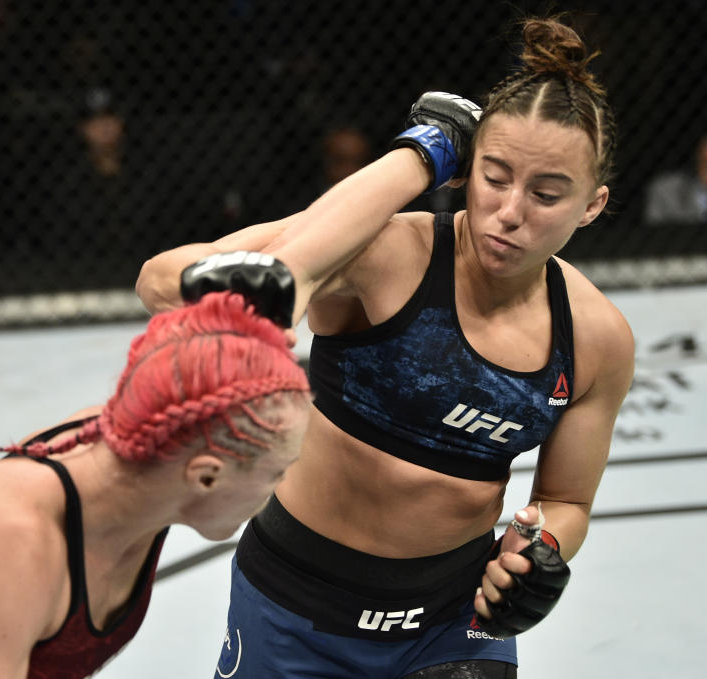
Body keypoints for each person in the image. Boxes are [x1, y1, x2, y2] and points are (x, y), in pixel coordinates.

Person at [136, 16, 634, 678]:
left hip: (454, 624)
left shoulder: (595, 338)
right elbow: (160, 280)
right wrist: (413, 161)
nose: (511, 210)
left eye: (546, 194)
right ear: (467, 168)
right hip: (296, 609)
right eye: (494, 176)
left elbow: (566, 500)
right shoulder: (385, 251)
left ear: (592, 205)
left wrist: (539, 553)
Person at [0, 291, 312, 678]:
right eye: (275, 474)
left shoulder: (157, 445)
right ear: (205, 475)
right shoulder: (11, 542)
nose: (277, 493)